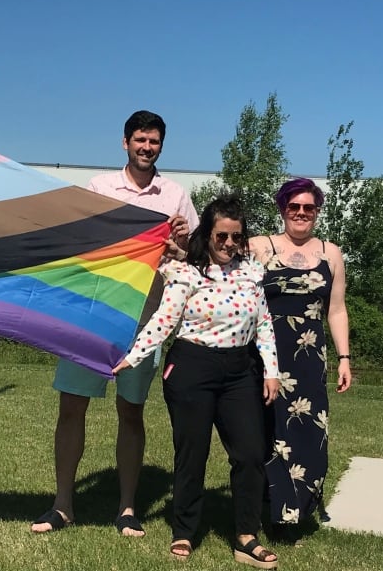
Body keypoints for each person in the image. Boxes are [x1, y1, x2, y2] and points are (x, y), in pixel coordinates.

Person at [31, 110, 200, 536]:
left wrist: (181, 242)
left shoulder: (176, 195)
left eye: (155, 142)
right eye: (141, 140)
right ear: (125, 143)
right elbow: (81, 244)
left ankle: (127, 508)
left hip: (144, 321)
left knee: (132, 411)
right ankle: (63, 505)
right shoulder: (99, 188)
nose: (147, 148)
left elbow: (192, 259)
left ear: (162, 145)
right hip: (92, 315)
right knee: (72, 408)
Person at [114, 195, 280, 568]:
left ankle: (246, 535)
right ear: (207, 235)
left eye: (236, 237)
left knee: (251, 453)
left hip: (240, 372)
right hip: (192, 369)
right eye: (222, 236)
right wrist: (133, 355)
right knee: (192, 453)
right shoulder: (187, 273)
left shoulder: (251, 272)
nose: (229, 245)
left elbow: (264, 326)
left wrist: (271, 370)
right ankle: (184, 531)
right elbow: (163, 321)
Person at [248, 177, 352, 527]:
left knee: (308, 429)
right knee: (265, 427)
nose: (301, 213)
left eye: (309, 207)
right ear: (282, 208)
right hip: (264, 354)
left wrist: (344, 358)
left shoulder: (330, 252)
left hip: (309, 357)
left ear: (317, 211)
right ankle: (268, 503)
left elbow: (336, 309)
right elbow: (217, 266)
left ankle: (302, 504)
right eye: (294, 206)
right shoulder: (259, 246)